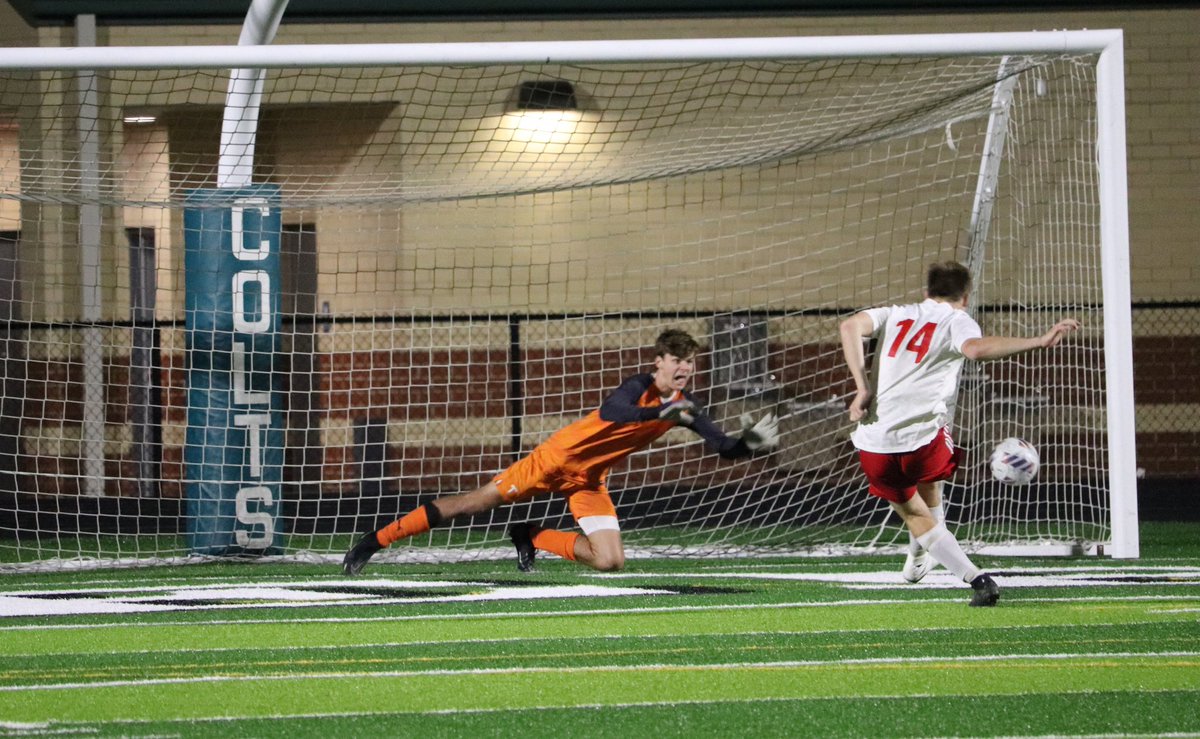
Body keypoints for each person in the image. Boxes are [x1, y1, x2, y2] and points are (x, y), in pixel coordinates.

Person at [342, 328, 780, 575]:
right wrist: (665, 415)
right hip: (552, 461)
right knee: (469, 504)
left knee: (610, 561)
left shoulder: (685, 406)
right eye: (677, 361)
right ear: (659, 362)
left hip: (589, 479)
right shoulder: (639, 387)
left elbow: (721, 446)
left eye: (691, 363)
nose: (685, 369)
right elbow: (615, 412)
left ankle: (532, 535)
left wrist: (748, 445)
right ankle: (373, 541)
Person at [839, 261, 1079, 606]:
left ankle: (927, 553)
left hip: (875, 441)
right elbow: (976, 350)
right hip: (924, 438)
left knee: (914, 513)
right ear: (965, 297)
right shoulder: (957, 320)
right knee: (932, 477)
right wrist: (1038, 341)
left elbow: (849, 326)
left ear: (926, 293)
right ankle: (965, 571)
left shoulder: (896, 313)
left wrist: (862, 387)